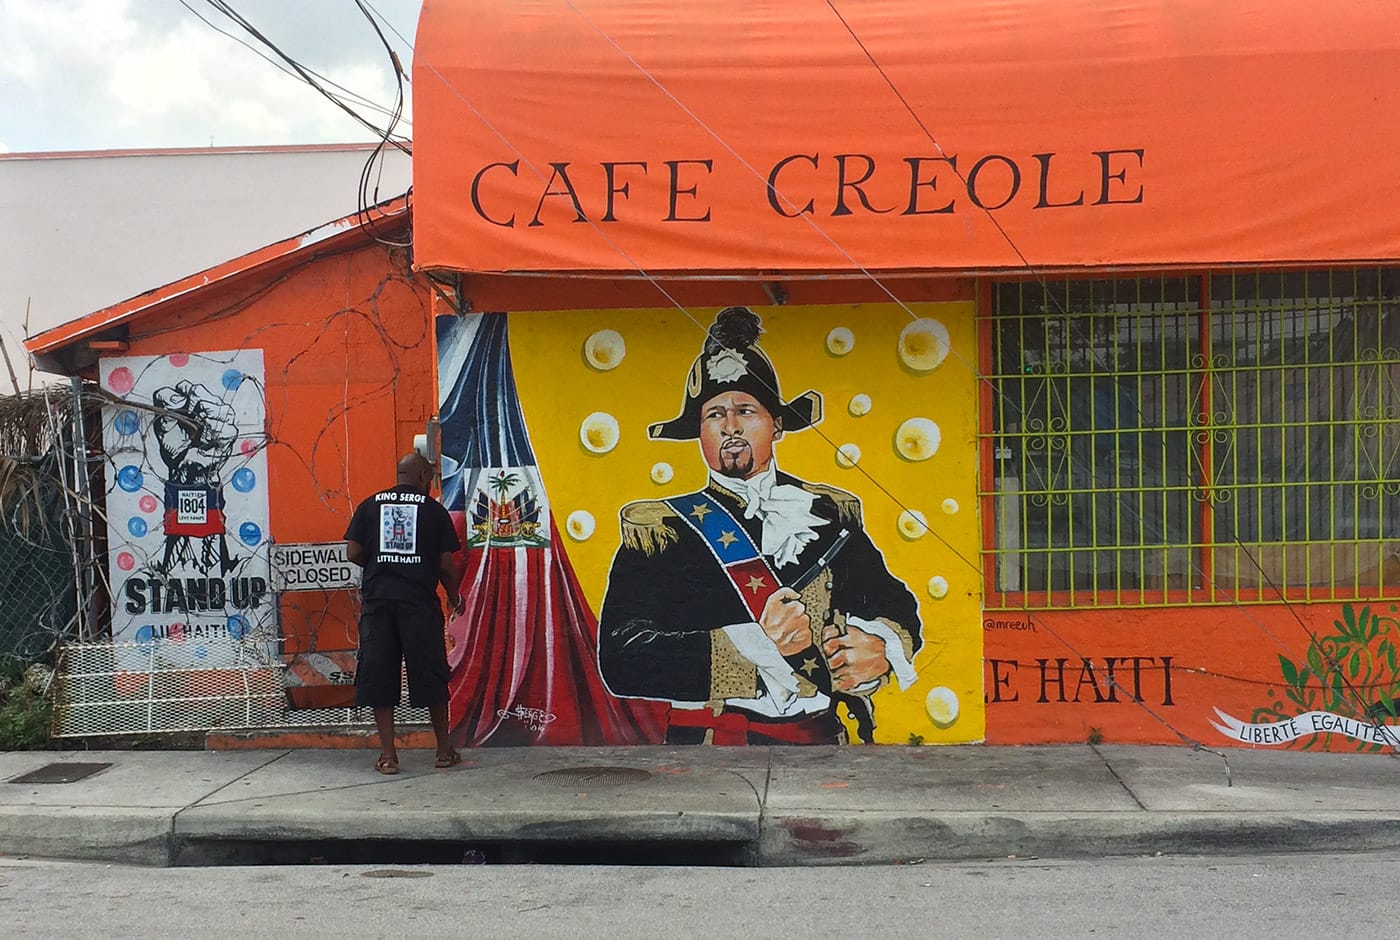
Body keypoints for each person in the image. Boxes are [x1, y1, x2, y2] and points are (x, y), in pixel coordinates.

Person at [598, 307, 922, 745]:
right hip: (712, 747)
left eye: (746, 410)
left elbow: (896, 604)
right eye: (714, 415)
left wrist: (881, 647)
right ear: (699, 433)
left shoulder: (830, 514)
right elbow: (621, 659)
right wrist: (756, 646)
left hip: (823, 741)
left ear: (777, 425)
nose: (731, 427)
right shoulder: (661, 532)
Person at [345, 453, 466, 774]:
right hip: (419, 604)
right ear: (424, 475)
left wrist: (381, 566)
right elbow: (445, 565)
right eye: (430, 478)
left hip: (378, 603)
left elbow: (353, 551)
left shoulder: (369, 505)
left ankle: (388, 756)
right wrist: (454, 597)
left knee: (379, 675)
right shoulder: (433, 511)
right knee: (430, 673)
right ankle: (443, 751)